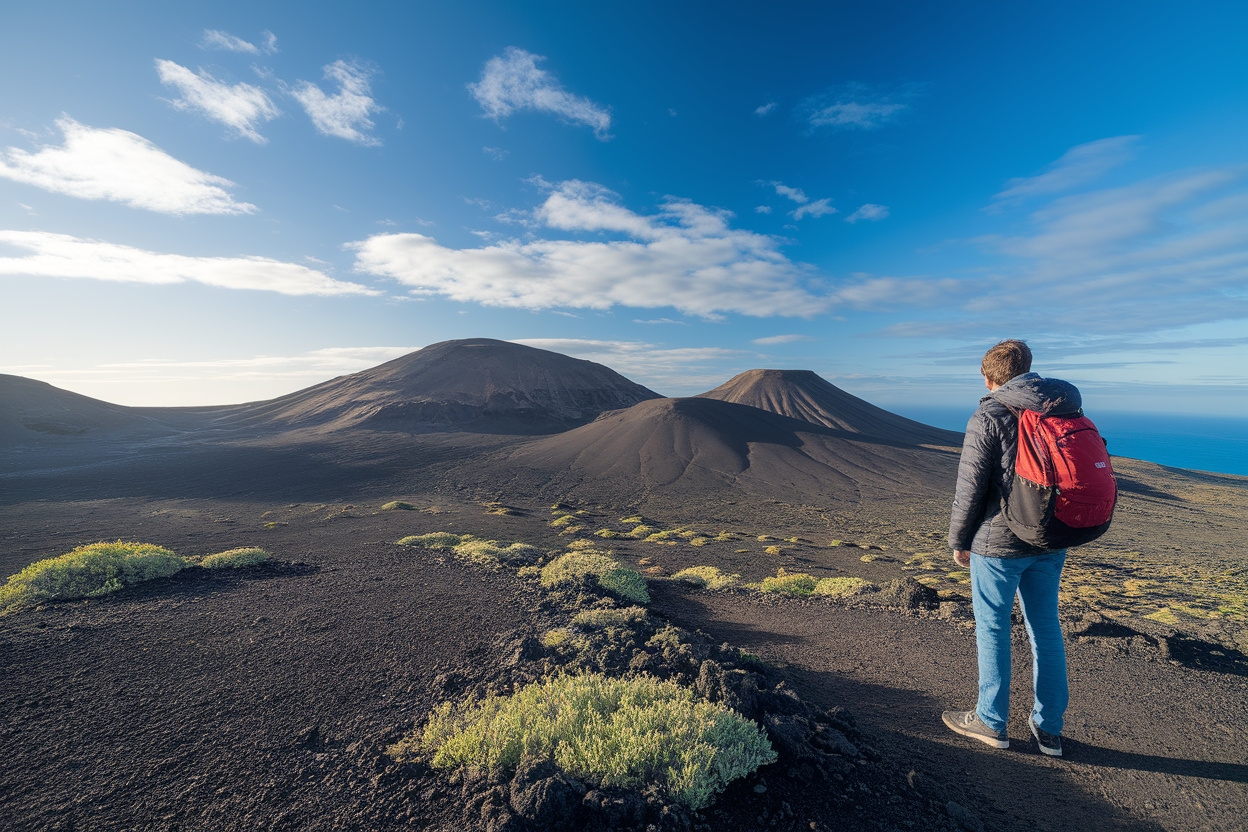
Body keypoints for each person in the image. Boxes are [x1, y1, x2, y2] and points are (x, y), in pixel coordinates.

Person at [943, 339, 1078, 757]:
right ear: (1028, 369)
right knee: (1045, 628)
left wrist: (959, 541)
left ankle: (991, 721)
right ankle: (1049, 729)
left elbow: (970, 489)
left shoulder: (989, 414)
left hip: (998, 545)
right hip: (1051, 538)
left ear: (988, 378)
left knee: (993, 628)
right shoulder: (1062, 407)